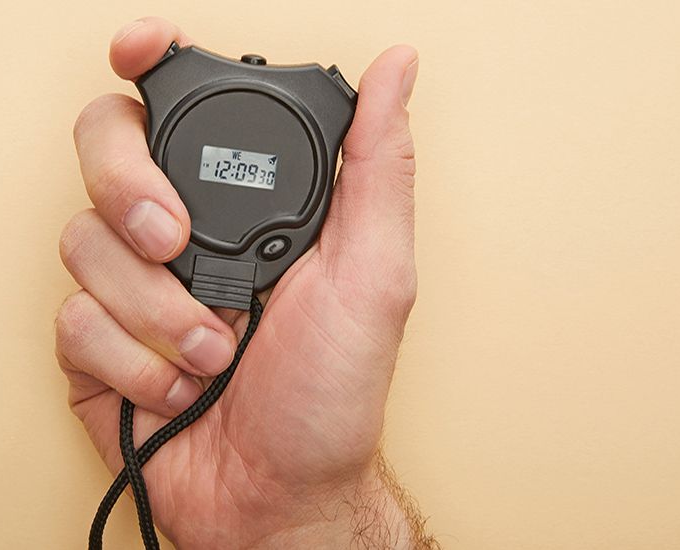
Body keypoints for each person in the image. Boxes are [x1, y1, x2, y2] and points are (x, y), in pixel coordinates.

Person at [55, 16, 435, 549]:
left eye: (249, 169)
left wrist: (305, 512)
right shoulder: (320, 104)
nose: (240, 172)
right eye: (233, 167)